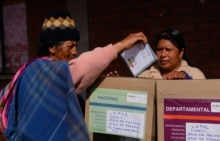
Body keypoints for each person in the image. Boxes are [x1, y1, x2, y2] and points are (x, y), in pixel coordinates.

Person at [0, 12, 147, 141]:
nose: (75, 52)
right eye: (70, 46)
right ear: (52, 48)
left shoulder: (32, 69)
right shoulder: (43, 72)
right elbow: (82, 68)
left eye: (76, 46)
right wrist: (121, 45)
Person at [108, 28, 206, 80]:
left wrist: (186, 78)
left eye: (168, 50)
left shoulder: (195, 74)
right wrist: (118, 83)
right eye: (159, 49)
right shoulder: (144, 76)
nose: (163, 54)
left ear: (181, 53)